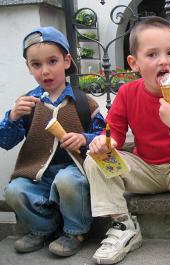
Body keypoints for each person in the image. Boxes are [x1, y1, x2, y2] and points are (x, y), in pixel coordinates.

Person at [84, 16, 170, 265]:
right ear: (134, 63)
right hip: (144, 171)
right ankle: (123, 227)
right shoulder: (127, 93)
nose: (163, 61)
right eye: (152, 55)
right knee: (95, 159)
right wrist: (107, 143)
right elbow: (114, 131)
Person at [0, 26, 105, 256]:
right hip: (39, 175)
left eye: (53, 61)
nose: (45, 71)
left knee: (67, 180)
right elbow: (6, 142)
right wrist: (12, 117)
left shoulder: (82, 102)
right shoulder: (27, 104)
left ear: (67, 61)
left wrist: (84, 139)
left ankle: (75, 230)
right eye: (36, 65)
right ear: (29, 67)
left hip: (74, 170)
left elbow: (103, 135)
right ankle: (43, 228)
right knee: (14, 190)